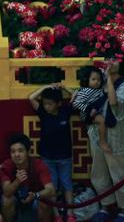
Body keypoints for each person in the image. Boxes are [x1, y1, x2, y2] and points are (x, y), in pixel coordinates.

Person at [86, 56, 124, 221]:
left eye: (116, 60)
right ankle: (106, 207)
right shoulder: (100, 79)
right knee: (98, 173)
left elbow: (114, 103)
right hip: (97, 133)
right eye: (109, 59)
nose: (111, 62)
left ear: (122, 65)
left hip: (115, 137)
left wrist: (109, 80)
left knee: (119, 174)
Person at [28, 85, 76, 222]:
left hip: (65, 157)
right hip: (47, 157)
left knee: (67, 185)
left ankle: (71, 214)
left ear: (59, 103)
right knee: (52, 188)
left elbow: (76, 95)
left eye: (50, 104)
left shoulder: (65, 111)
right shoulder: (43, 112)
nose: (47, 106)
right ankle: (57, 216)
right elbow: (31, 98)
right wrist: (46, 87)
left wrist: (64, 88)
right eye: (45, 104)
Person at [0, 134, 56, 222]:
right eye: (13, 151)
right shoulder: (6, 165)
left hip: (35, 200)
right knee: (6, 200)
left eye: (20, 151)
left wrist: (35, 195)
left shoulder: (38, 164)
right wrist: (17, 181)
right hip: (16, 202)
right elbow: (6, 192)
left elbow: (51, 190)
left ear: (28, 151)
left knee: (46, 200)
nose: (16, 154)